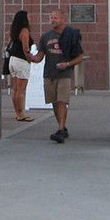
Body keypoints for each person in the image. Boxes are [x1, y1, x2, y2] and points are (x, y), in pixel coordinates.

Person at [33, 8, 84, 144]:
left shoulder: (70, 34)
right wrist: (30, 57)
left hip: (64, 74)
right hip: (49, 73)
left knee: (62, 101)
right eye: (51, 18)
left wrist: (67, 64)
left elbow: (80, 57)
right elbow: (39, 56)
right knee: (54, 102)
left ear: (62, 19)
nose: (52, 20)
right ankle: (62, 128)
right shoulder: (46, 37)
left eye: (55, 17)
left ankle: (60, 130)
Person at [7, 10, 37, 122]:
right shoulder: (24, 30)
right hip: (21, 61)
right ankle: (21, 113)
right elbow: (26, 48)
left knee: (15, 89)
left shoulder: (14, 30)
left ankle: (17, 112)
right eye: (28, 17)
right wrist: (30, 58)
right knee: (21, 90)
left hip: (12, 60)